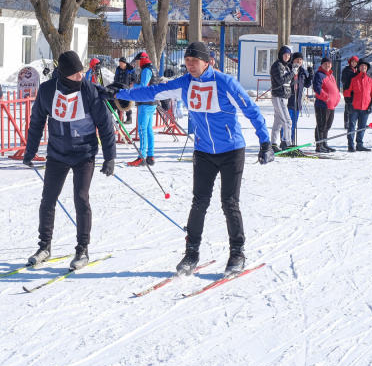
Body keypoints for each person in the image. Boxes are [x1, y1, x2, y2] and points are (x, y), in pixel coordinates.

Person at [107, 41, 274, 278]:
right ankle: (192, 253)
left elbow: (251, 111)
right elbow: (153, 92)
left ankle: (237, 253)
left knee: (229, 203)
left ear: (208, 62)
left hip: (231, 151)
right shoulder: (185, 83)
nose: (190, 65)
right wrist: (119, 93)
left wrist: (265, 142)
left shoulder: (225, 83)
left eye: (194, 61)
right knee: (199, 203)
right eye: (187, 61)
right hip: (204, 152)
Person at [23, 51, 116, 271]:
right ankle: (44, 246)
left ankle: (82, 249)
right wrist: (30, 150)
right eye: (75, 73)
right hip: (57, 153)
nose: (80, 76)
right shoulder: (47, 91)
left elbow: (105, 125)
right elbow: (36, 121)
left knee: (80, 199)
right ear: (64, 74)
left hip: (84, 153)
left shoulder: (89, 91)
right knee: (48, 199)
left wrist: (109, 157)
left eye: (81, 71)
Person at [128, 52, 158, 166]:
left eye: (137, 61)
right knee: (149, 130)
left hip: (145, 103)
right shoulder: (153, 68)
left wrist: (133, 86)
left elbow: (143, 86)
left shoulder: (146, 70)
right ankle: (150, 156)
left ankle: (142, 157)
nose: (137, 63)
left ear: (142, 59)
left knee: (142, 129)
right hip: (152, 102)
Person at [312, 57, 341, 153]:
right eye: (325, 64)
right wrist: (326, 98)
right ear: (321, 65)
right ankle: (319, 145)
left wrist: (337, 98)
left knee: (327, 126)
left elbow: (336, 89)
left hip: (331, 106)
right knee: (321, 126)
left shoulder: (331, 76)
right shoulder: (319, 75)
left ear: (331, 65)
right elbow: (317, 88)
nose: (327, 65)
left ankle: (324, 143)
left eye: (329, 64)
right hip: (322, 105)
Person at [346, 59, 372, 152]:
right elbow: (347, 92)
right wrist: (349, 103)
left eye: (365, 67)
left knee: (362, 127)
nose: (364, 68)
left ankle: (360, 144)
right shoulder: (353, 79)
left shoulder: (370, 80)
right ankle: (351, 145)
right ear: (359, 68)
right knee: (352, 126)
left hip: (365, 107)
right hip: (354, 107)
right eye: (362, 66)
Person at [269, 46, 293, 152]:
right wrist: (292, 73)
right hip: (279, 96)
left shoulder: (286, 66)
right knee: (287, 121)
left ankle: (273, 144)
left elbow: (288, 81)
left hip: (284, 97)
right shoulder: (277, 66)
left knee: (278, 122)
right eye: (285, 54)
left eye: (288, 55)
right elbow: (280, 80)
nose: (287, 57)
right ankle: (288, 143)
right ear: (281, 55)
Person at [286, 52, 313, 147]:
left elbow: (307, 84)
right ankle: (285, 141)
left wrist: (310, 76)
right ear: (293, 60)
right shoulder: (288, 69)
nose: (299, 61)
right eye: (297, 59)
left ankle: (292, 141)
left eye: (301, 59)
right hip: (289, 100)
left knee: (294, 124)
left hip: (298, 102)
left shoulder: (302, 71)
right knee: (286, 124)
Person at [112, 57, 134, 124]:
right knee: (119, 103)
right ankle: (120, 118)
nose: (120, 65)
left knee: (127, 103)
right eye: (119, 63)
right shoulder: (118, 69)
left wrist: (131, 84)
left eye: (121, 63)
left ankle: (129, 118)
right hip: (119, 88)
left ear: (125, 63)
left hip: (127, 89)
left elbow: (134, 78)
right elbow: (116, 78)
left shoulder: (130, 69)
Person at [341, 56, 359, 128]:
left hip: (357, 91)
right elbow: (343, 80)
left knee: (357, 107)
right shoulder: (346, 70)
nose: (354, 63)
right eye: (352, 62)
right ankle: (346, 121)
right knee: (348, 105)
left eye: (355, 62)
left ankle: (356, 121)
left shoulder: (359, 70)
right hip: (348, 90)